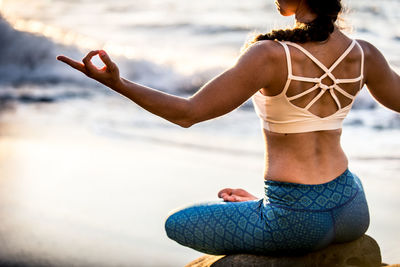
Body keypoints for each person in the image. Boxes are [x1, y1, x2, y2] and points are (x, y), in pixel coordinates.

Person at [57, 0, 400, 256]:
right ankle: (263, 209)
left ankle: (264, 212)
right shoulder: (364, 53)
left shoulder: (268, 55)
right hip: (352, 208)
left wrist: (118, 83)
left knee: (177, 223)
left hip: (295, 221)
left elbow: (188, 113)